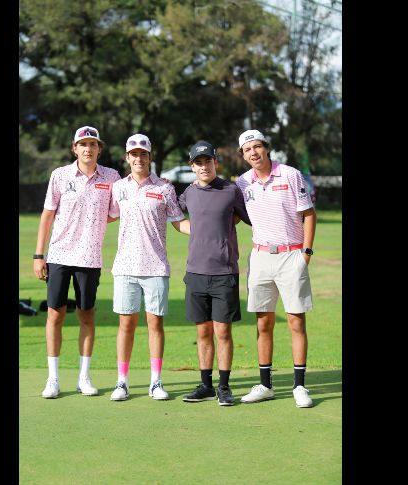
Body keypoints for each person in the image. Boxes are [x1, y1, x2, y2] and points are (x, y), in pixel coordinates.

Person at [33, 126, 121, 399]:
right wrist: (38, 255)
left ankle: (84, 377)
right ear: (75, 148)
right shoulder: (59, 175)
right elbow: (47, 215)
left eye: (93, 144)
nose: (88, 149)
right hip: (59, 255)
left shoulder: (111, 177)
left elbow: (116, 210)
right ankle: (53, 379)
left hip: (90, 257)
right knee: (55, 314)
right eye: (83, 144)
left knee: (86, 315)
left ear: (99, 149)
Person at [235, 129, 316, 408]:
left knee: (295, 320)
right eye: (248, 149)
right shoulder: (242, 182)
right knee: (263, 322)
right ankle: (265, 385)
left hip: (292, 254)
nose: (254, 153)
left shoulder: (290, 175)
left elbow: (308, 214)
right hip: (260, 257)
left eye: (257, 147)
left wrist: (305, 254)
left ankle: (299, 386)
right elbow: (235, 215)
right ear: (243, 155)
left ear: (266, 148)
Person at [108, 134, 188, 401]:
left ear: (150, 157)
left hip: (156, 267)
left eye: (143, 154)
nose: (139, 158)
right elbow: (108, 216)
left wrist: (208, 228)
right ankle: (122, 382)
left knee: (155, 324)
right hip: (125, 267)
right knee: (126, 325)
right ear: (127, 157)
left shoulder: (165, 188)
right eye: (134, 154)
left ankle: (156, 382)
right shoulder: (118, 188)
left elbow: (178, 222)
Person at [177, 141, 251, 406]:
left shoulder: (231, 190)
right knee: (203, 333)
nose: (204, 166)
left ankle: (224, 387)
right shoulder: (188, 193)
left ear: (215, 162)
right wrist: (191, 229)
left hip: (224, 273)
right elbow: (173, 215)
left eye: (207, 161)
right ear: (192, 167)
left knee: (223, 333)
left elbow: (248, 216)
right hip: (196, 272)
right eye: (198, 163)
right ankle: (206, 385)